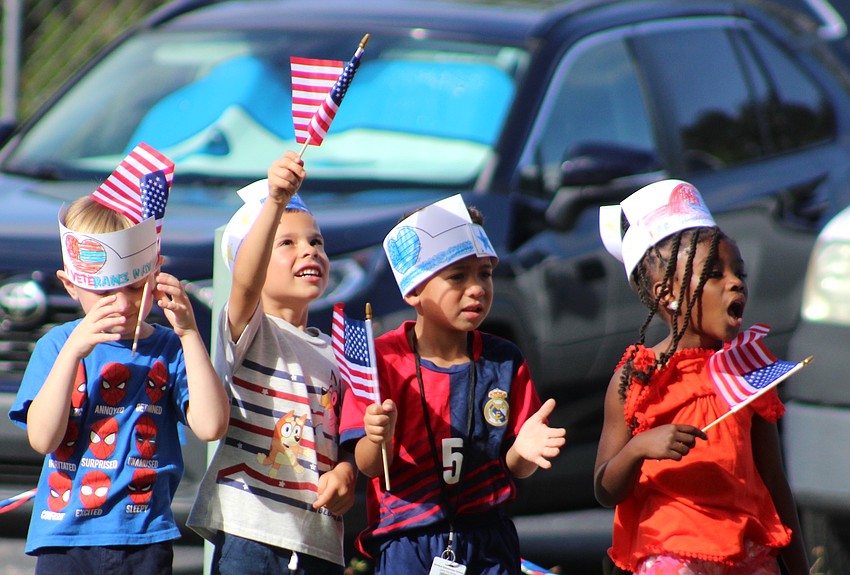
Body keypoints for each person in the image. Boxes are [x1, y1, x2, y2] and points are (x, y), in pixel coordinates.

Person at [8, 156, 230, 575]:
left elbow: (211, 425)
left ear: (155, 274)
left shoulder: (168, 346)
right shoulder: (57, 346)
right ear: (71, 285)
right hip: (65, 539)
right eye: (105, 292)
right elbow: (42, 438)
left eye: (134, 287)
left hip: (144, 537)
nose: (124, 305)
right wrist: (74, 352)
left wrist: (188, 333)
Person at [339, 194, 566, 575]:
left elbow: (513, 465)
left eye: (485, 274)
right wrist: (377, 437)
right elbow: (370, 467)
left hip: (489, 539)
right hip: (409, 542)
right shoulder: (382, 360)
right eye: (457, 276)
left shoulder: (503, 360)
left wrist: (524, 453)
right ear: (413, 291)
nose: (476, 288)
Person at [594, 179, 809, 575]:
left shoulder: (748, 370)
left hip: (746, 551)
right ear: (667, 294)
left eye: (738, 272)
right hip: (670, 555)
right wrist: (640, 446)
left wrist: (798, 567)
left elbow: (774, 479)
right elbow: (605, 488)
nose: (736, 282)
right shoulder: (637, 377)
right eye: (715, 274)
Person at [187, 150, 356, 575]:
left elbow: (345, 438)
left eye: (316, 241)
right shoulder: (249, 329)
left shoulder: (334, 352)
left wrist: (347, 473)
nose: (310, 251)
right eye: (288, 242)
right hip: (251, 536)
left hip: (318, 542)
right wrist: (275, 201)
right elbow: (245, 281)